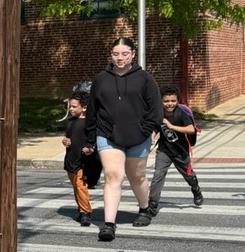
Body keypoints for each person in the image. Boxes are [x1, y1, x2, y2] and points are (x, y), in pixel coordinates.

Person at [85, 37, 163, 241]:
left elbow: (155, 109)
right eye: (116, 54)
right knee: (112, 176)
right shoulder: (101, 79)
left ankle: (145, 208)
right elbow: (93, 109)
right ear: (110, 55)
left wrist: (146, 130)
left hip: (138, 137)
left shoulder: (145, 78)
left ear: (132, 54)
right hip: (107, 135)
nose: (120, 58)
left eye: (124, 54)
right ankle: (108, 224)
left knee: (137, 177)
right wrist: (90, 138)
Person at [148, 85, 202, 213]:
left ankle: (196, 189)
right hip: (164, 150)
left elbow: (191, 129)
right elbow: (156, 127)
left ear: (177, 100)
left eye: (173, 101)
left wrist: (172, 126)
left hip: (181, 152)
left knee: (189, 175)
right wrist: (152, 138)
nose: (169, 104)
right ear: (161, 101)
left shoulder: (181, 113)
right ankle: (153, 204)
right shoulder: (158, 112)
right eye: (166, 101)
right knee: (158, 175)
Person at [60, 91, 100, 226]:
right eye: (69, 106)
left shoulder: (89, 122)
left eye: (73, 106)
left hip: (84, 160)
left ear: (84, 107)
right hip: (71, 158)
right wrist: (65, 141)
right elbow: (67, 137)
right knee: (76, 187)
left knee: (80, 185)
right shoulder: (70, 122)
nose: (70, 109)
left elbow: (93, 138)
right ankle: (81, 208)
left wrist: (90, 147)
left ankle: (85, 212)